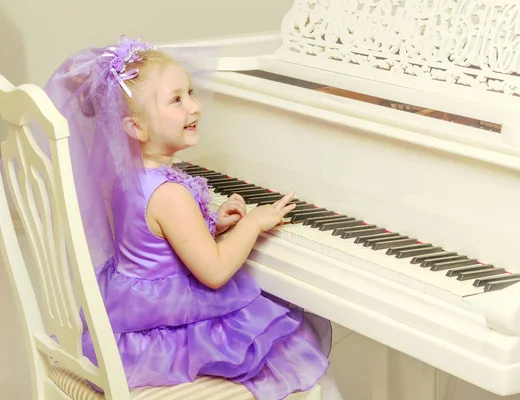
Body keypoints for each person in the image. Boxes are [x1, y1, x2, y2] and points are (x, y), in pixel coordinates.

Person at [42, 35, 342, 399]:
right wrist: (252, 223)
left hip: (128, 318)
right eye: (176, 100)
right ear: (136, 127)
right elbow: (214, 273)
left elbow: (152, 237)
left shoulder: (127, 178)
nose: (195, 107)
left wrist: (211, 225)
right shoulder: (170, 193)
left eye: (191, 92)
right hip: (162, 334)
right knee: (285, 338)